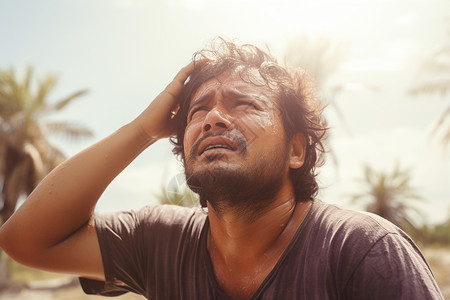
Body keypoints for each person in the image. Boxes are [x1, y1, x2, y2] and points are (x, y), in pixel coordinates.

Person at [0, 39, 444, 300]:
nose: (213, 118)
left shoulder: (363, 251)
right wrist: (141, 129)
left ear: (295, 149)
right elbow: (25, 241)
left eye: (243, 103)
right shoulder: (159, 241)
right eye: (198, 111)